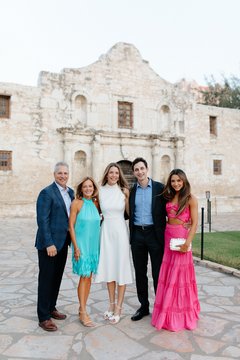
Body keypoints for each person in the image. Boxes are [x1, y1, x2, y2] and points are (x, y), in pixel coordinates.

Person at [151, 168, 200, 331]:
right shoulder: (169, 196)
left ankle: (180, 316)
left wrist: (188, 242)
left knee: (179, 278)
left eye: (179, 180)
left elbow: (194, 223)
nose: (176, 183)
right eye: (173, 181)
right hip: (168, 237)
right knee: (169, 274)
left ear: (184, 181)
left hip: (182, 239)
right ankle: (166, 311)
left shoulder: (191, 198)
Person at [35, 162, 74, 331]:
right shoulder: (46, 193)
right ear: (54, 174)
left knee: (56, 277)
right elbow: (42, 220)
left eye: (65, 173)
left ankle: (51, 307)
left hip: (63, 243)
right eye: (60, 173)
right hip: (49, 245)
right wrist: (49, 243)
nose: (63, 176)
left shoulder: (70, 192)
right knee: (46, 279)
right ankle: (43, 317)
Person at [129, 157, 166, 321]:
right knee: (140, 272)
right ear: (134, 172)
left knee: (158, 272)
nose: (139, 172)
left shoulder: (159, 188)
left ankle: (159, 307)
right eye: (136, 169)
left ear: (147, 169)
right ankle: (143, 306)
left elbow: (170, 209)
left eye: (142, 168)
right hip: (137, 234)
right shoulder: (131, 190)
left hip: (154, 234)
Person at [95, 162, 133, 324]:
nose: (114, 175)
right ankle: (111, 305)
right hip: (106, 232)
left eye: (116, 173)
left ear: (120, 175)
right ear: (106, 174)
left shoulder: (124, 192)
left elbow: (130, 213)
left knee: (121, 269)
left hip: (120, 232)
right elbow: (96, 213)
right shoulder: (100, 191)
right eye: (111, 172)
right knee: (110, 269)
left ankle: (119, 308)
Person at [69, 176, 101, 327]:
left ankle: (82, 307)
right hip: (81, 246)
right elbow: (71, 226)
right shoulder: (76, 203)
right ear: (81, 189)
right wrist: (75, 247)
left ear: (94, 188)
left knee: (89, 278)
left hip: (93, 246)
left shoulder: (96, 203)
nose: (88, 189)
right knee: (84, 277)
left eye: (91, 186)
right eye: (85, 187)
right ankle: (82, 311)